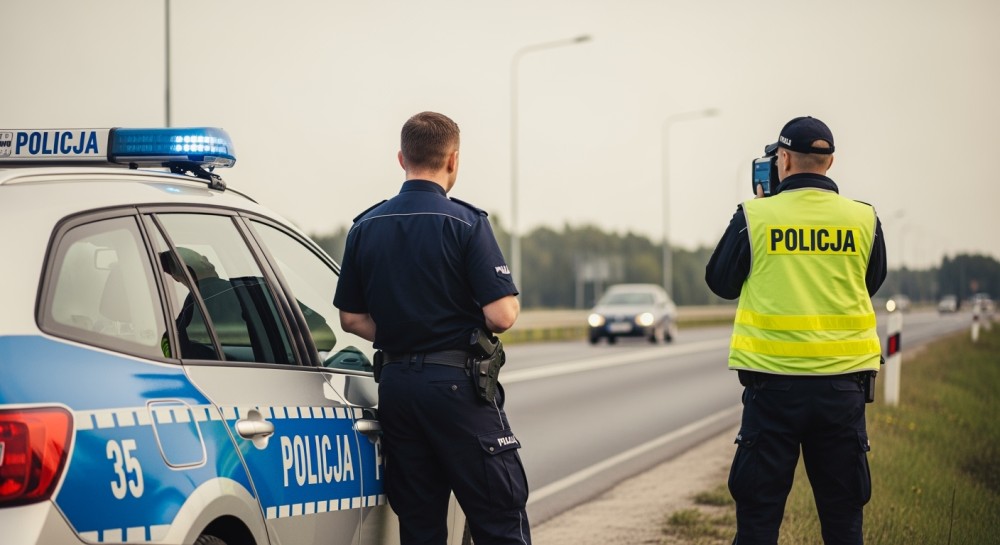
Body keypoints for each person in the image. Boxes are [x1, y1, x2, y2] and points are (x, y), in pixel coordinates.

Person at [333, 111, 529, 545]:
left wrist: (404, 330)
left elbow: (351, 319)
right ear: (453, 161)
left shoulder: (365, 226)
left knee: (420, 526)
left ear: (401, 158)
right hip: (457, 386)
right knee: (498, 515)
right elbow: (502, 315)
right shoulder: (466, 222)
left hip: (398, 388)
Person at [705, 116, 887, 545]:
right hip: (843, 391)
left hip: (773, 392)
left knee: (758, 521)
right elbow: (871, 280)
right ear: (830, 162)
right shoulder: (864, 219)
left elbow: (720, 282)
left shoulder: (756, 216)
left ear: (783, 159)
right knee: (844, 524)